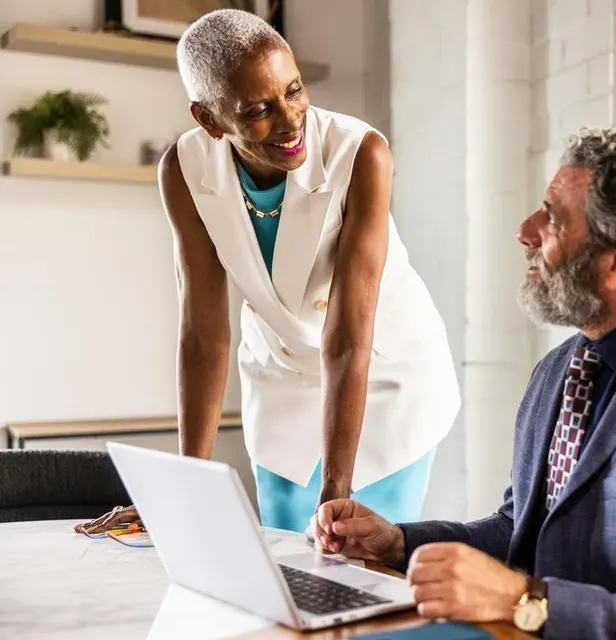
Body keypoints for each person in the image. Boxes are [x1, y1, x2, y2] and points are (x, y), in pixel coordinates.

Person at [313, 128, 616, 638]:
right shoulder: (559, 370)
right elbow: (520, 529)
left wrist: (521, 599)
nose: (525, 230)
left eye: (553, 218)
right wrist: (396, 543)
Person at [75, 9, 460, 535]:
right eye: (258, 109)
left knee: (361, 569)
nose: (290, 119)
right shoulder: (183, 169)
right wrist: (186, 486)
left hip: (381, 378)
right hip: (280, 379)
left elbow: (348, 337)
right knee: (281, 558)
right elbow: (203, 334)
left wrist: (335, 498)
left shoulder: (361, 154)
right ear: (209, 119)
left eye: (294, 91)